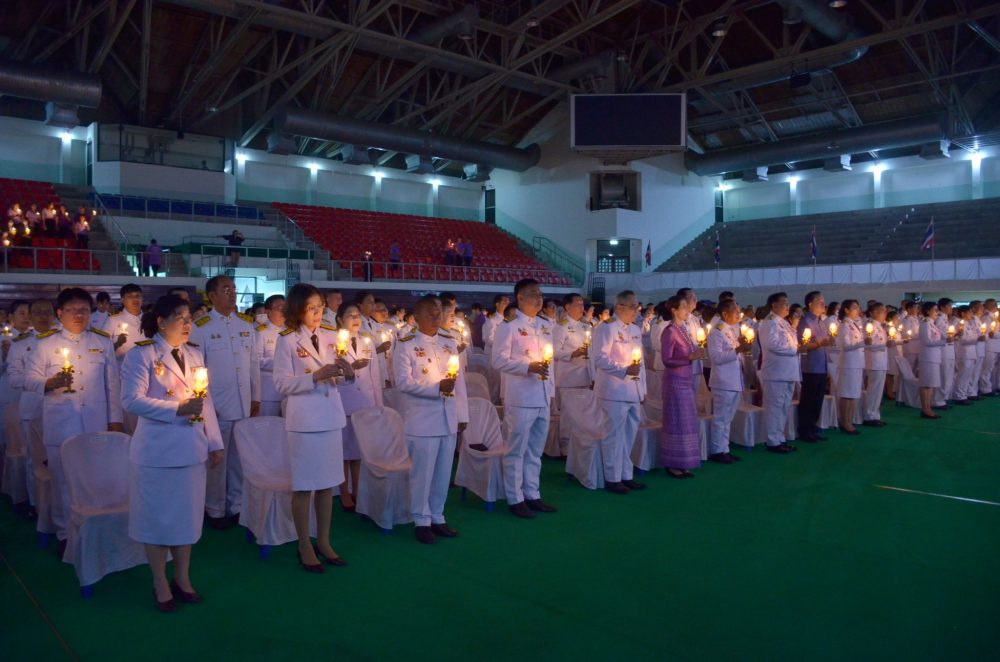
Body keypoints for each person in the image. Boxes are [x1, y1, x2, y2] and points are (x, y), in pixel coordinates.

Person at [121, 294, 224, 612]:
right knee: (156, 518)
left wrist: (214, 441)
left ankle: (182, 577)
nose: (188, 324)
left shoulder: (194, 353)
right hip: (157, 452)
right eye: (180, 318)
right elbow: (131, 400)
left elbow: (205, 401)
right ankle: (159, 580)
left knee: (187, 518)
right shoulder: (142, 355)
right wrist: (176, 408)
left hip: (190, 449)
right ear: (161, 322)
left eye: (190, 318)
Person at [25, 288, 123, 547]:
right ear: (60, 313)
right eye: (72, 310)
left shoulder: (101, 342)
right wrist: (48, 383)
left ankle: (95, 531)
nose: (79, 315)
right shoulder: (45, 343)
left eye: (83, 310)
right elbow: (28, 377)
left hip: (95, 424)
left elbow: (112, 384)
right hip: (61, 424)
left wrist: (115, 420)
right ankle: (66, 534)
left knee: (96, 478)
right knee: (63, 482)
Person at [273, 284, 351, 571]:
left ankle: (325, 541)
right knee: (304, 487)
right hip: (305, 421)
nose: (318, 313)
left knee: (328, 484)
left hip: (330, 417)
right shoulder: (287, 340)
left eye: (320, 307)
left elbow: (339, 378)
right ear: (297, 310)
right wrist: (314, 377)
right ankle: (304, 544)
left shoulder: (331, 335)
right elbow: (281, 383)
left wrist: (348, 374)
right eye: (311, 308)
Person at [394, 295, 469, 544]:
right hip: (422, 419)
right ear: (416, 317)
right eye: (431, 313)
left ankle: (438, 515)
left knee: (443, 472)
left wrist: (462, 414)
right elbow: (403, 383)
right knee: (422, 474)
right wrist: (436, 388)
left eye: (439, 312)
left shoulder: (448, 341)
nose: (437, 317)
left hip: (447, 416)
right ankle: (421, 520)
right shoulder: (406, 344)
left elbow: (459, 382)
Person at [190, 275, 261, 529]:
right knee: (217, 461)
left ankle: (236, 505)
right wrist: (205, 406)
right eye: (226, 289)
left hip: (243, 403)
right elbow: (197, 370)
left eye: (233, 288)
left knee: (239, 460)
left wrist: (256, 396)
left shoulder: (246, 325)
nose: (232, 293)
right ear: (212, 296)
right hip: (217, 405)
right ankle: (215, 509)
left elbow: (253, 364)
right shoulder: (201, 327)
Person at [491, 279, 557, 518]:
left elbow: (550, 363)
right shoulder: (509, 326)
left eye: (540, 293)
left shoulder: (545, 325)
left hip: (542, 395)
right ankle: (515, 497)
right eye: (532, 294)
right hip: (520, 397)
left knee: (535, 451)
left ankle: (532, 493)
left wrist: (551, 393)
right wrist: (526, 367)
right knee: (516, 450)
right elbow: (498, 360)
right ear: (519, 297)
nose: (539, 298)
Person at [335, 301, 383, 513]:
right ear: (339, 319)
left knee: (358, 451)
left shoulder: (366, 341)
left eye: (357, 315)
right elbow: (332, 375)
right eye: (350, 315)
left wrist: (378, 406)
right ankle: (344, 492)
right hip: (344, 401)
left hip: (365, 403)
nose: (355, 319)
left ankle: (357, 489)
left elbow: (375, 376)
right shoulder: (333, 342)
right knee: (344, 452)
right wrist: (351, 368)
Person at [659, 295, 706, 477]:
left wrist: (697, 352)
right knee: (676, 420)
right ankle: (672, 462)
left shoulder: (684, 329)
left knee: (686, 421)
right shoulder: (670, 331)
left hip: (686, 379)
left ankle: (684, 460)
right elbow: (667, 359)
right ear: (674, 310)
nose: (687, 311)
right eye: (684, 307)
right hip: (675, 381)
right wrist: (689, 357)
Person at [707, 299, 750, 464]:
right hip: (723, 381)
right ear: (725, 314)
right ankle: (717, 450)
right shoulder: (717, 332)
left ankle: (724, 449)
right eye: (735, 312)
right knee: (721, 418)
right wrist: (738, 350)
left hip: (733, 380)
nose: (739, 315)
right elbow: (716, 358)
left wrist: (742, 349)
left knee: (728, 417)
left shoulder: (731, 330)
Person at [759, 292, 802, 454]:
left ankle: (780, 437)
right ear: (774, 305)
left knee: (783, 406)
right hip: (776, 372)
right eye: (784, 303)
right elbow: (773, 344)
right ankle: (772, 441)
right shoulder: (770, 322)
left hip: (787, 371)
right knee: (774, 407)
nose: (787, 306)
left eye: (788, 303)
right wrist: (795, 349)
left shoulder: (783, 322)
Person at [798, 292, 832, 443]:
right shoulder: (805, 322)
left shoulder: (820, 322)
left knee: (818, 400)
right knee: (809, 400)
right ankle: (805, 430)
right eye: (819, 301)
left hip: (821, 365)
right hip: (810, 367)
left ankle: (813, 428)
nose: (823, 304)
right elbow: (803, 345)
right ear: (810, 304)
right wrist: (819, 344)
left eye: (823, 301)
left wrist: (829, 341)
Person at [835, 300, 866, 435]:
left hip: (856, 363)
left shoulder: (854, 324)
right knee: (847, 394)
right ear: (846, 310)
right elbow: (846, 346)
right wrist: (862, 343)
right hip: (849, 364)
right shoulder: (844, 325)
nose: (857, 310)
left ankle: (850, 420)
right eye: (854, 308)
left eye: (858, 307)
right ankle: (845, 421)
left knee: (853, 394)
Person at [255, 294, 286, 417]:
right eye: (279, 307)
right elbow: (256, 360)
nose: (283, 311)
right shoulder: (261, 332)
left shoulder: (290, 331)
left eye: (285, 307)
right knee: (268, 423)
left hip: (288, 389)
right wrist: (279, 362)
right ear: (268, 312)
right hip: (269, 391)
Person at [862, 303, 890, 427]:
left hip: (881, 361)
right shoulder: (870, 325)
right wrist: (884, 345)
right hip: (874, 361)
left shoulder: (880, 326)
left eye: (884, 311)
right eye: (881, 311)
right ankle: (869, 415)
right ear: (873, 312)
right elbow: (868, 344)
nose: (884, 314)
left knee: (878, 391)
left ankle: (874, 414)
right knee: (873, 390)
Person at [102, 283, 144, 364]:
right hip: (121, 367)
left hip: (146, 367)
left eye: (137, 296)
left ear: (142, 299)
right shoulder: (113, 320)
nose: (135, 299)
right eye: (130, 296)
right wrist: (118, 344)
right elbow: (102, 349)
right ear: (122, 300)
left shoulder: (150, 319)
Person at [918, 301, 946, 418]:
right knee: (926, 384)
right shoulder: (925, 323)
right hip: (928, 357)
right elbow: (927, 341)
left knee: (930, 384)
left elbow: (940, 337)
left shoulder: (932, 323)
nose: (937, 312)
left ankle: (928, 407)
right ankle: (925, 409)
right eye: (935, 310)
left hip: (934, 357)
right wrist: (943, 342)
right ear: (927, 311)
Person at [934, 298, 956, 409]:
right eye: (949, 306)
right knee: (944, 376)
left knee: (948, 376)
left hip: (948, 349)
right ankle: (938, 401)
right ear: (942, 307)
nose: (951, 308)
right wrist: (948, 336)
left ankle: (943, 398)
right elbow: (938, 332)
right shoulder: (939, 318)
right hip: (943, 350)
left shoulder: (945, 318)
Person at [953, 305, 978, 407]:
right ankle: (959, 396)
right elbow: (962, 339)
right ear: (963, 313)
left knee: (968, 375)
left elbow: (977, 334)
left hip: (971, 352)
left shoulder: (970, 323)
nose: (971, 314)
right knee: (962, 375)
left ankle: (965, 394)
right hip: (964, 352)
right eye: (969, 312)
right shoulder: (959, 323)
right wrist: (976, 339)